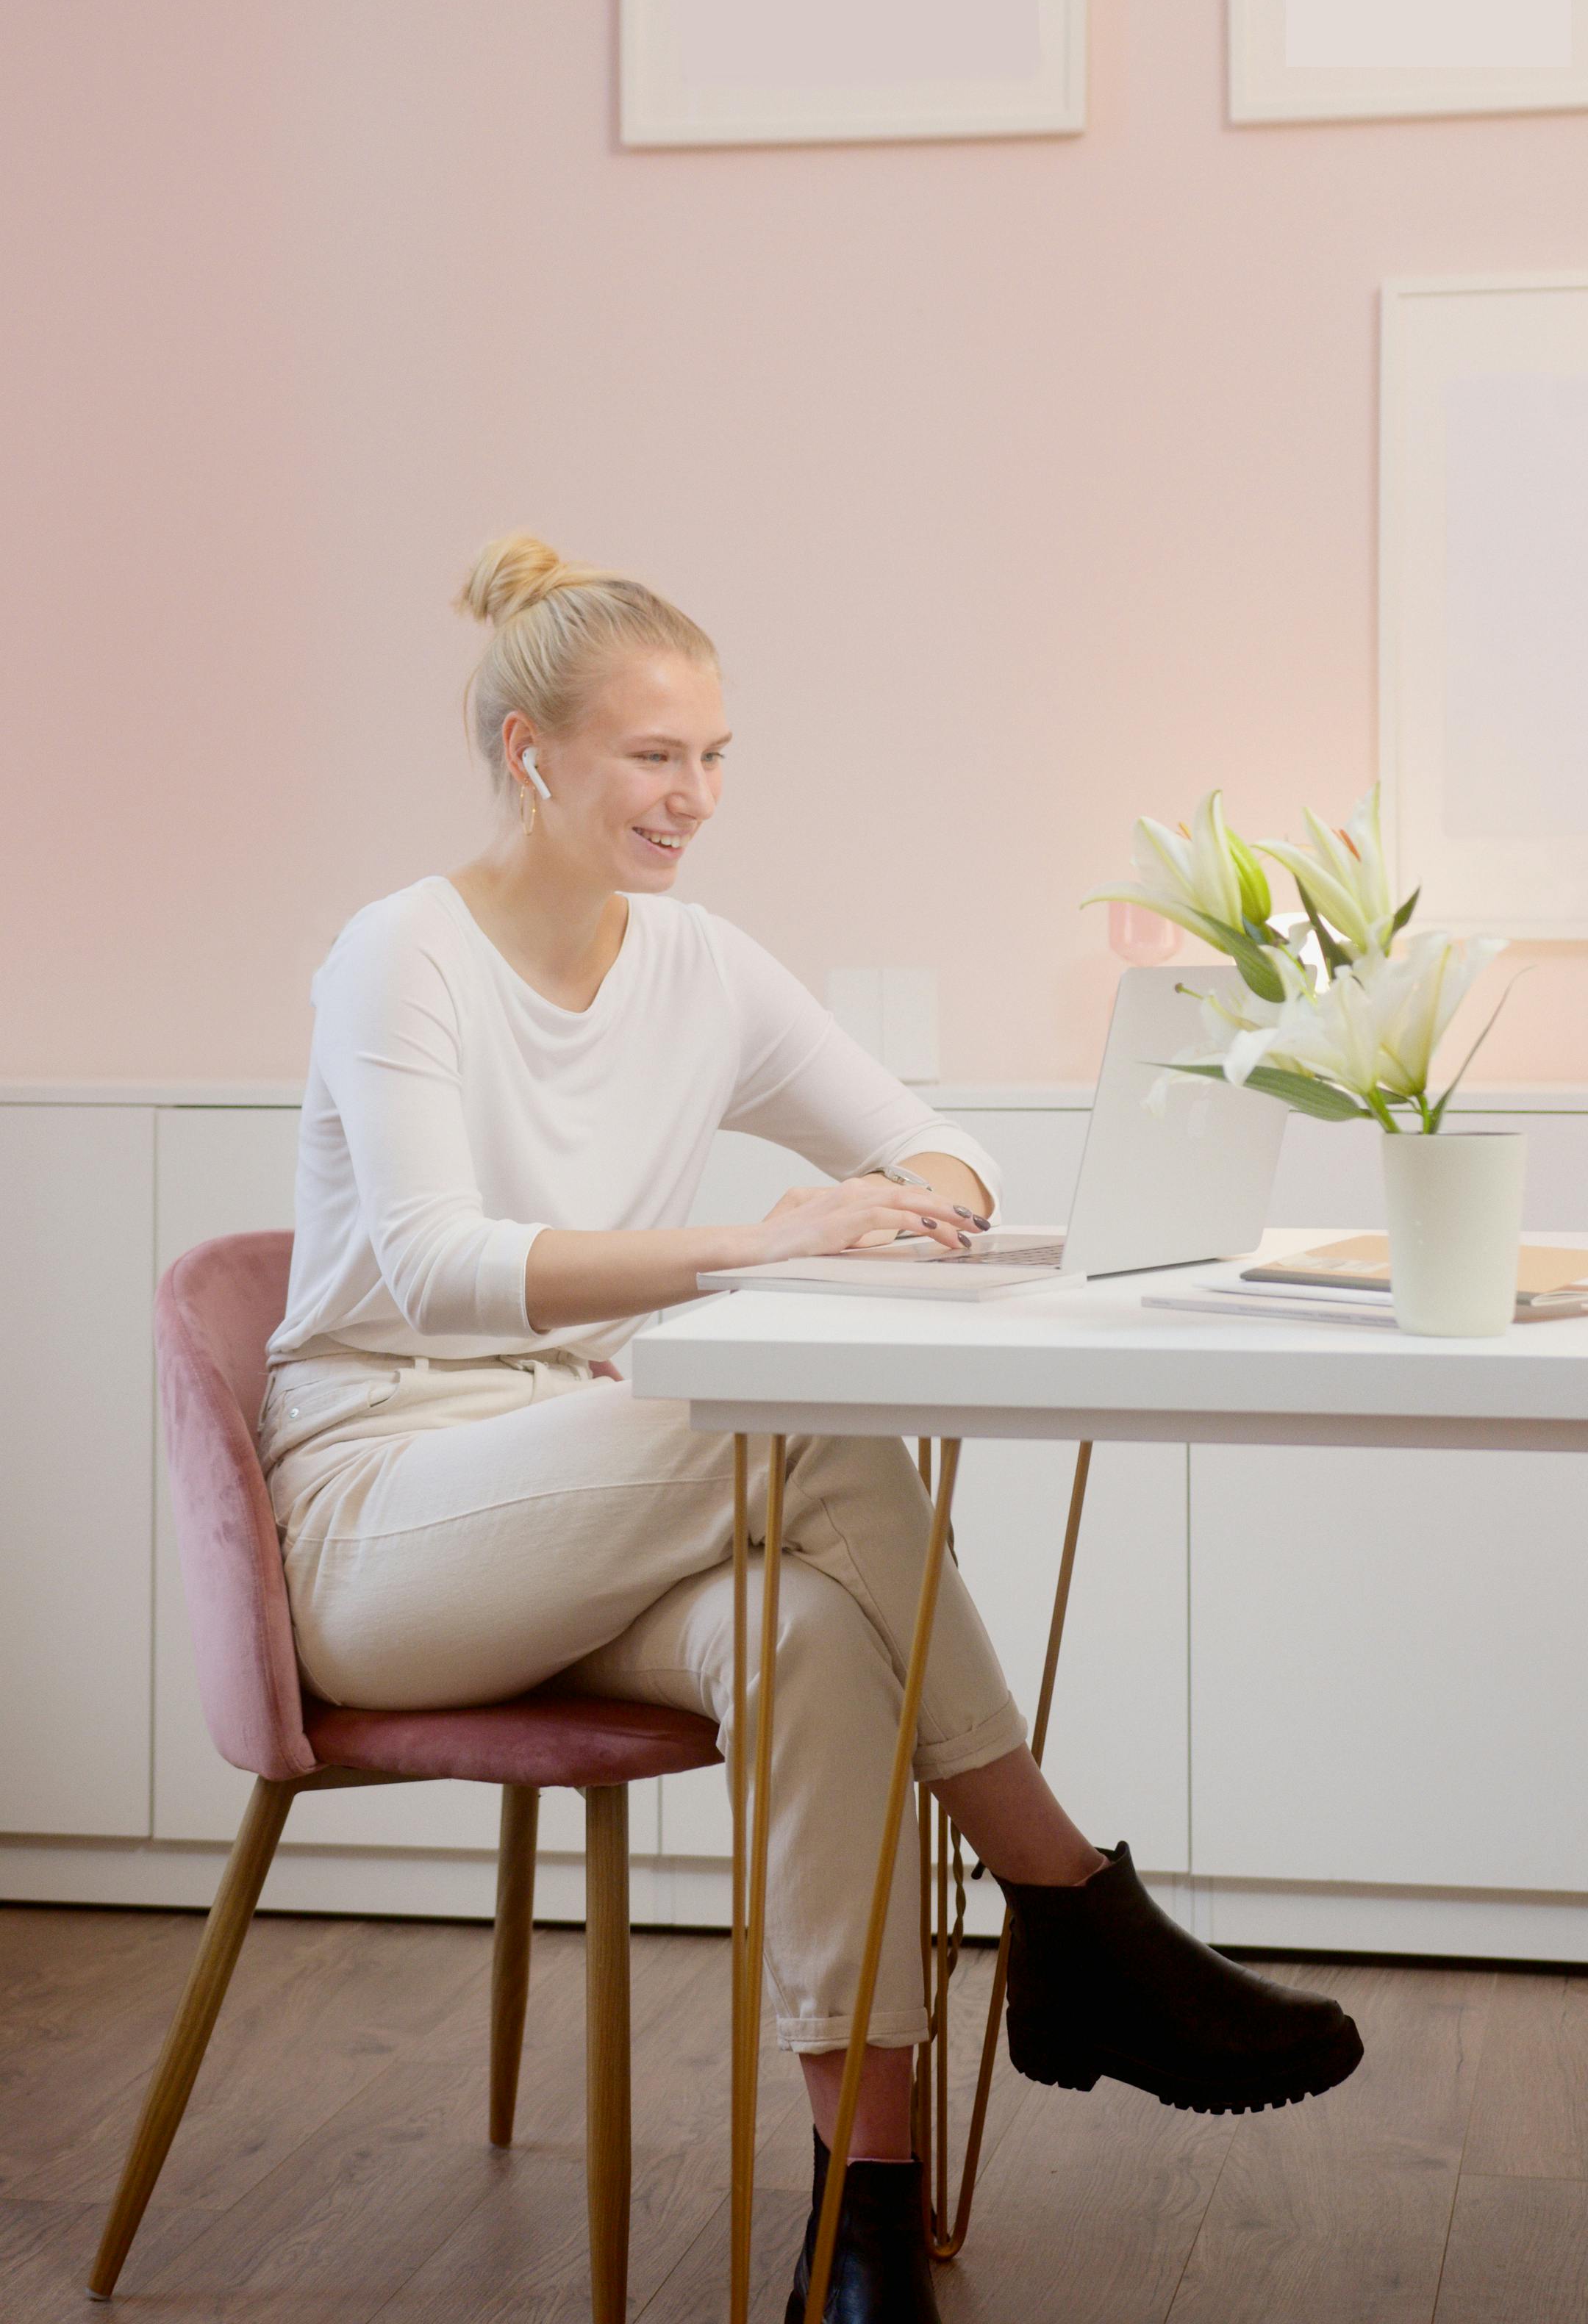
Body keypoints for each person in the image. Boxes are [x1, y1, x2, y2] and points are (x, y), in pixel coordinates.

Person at [260, 531, 1362, 2323]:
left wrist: (904, 1199)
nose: (693, 798)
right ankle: (1070, 1905)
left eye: (711, 759)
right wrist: (753, 1243)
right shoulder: (403, 958)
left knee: (820, 1635)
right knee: (802, 1423)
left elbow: (946, 1148)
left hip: (589, 1482)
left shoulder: (699, 964)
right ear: (532, 753)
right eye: (652, 758)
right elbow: (432, 1266)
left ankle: (861, 2230)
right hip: (383, 1514)